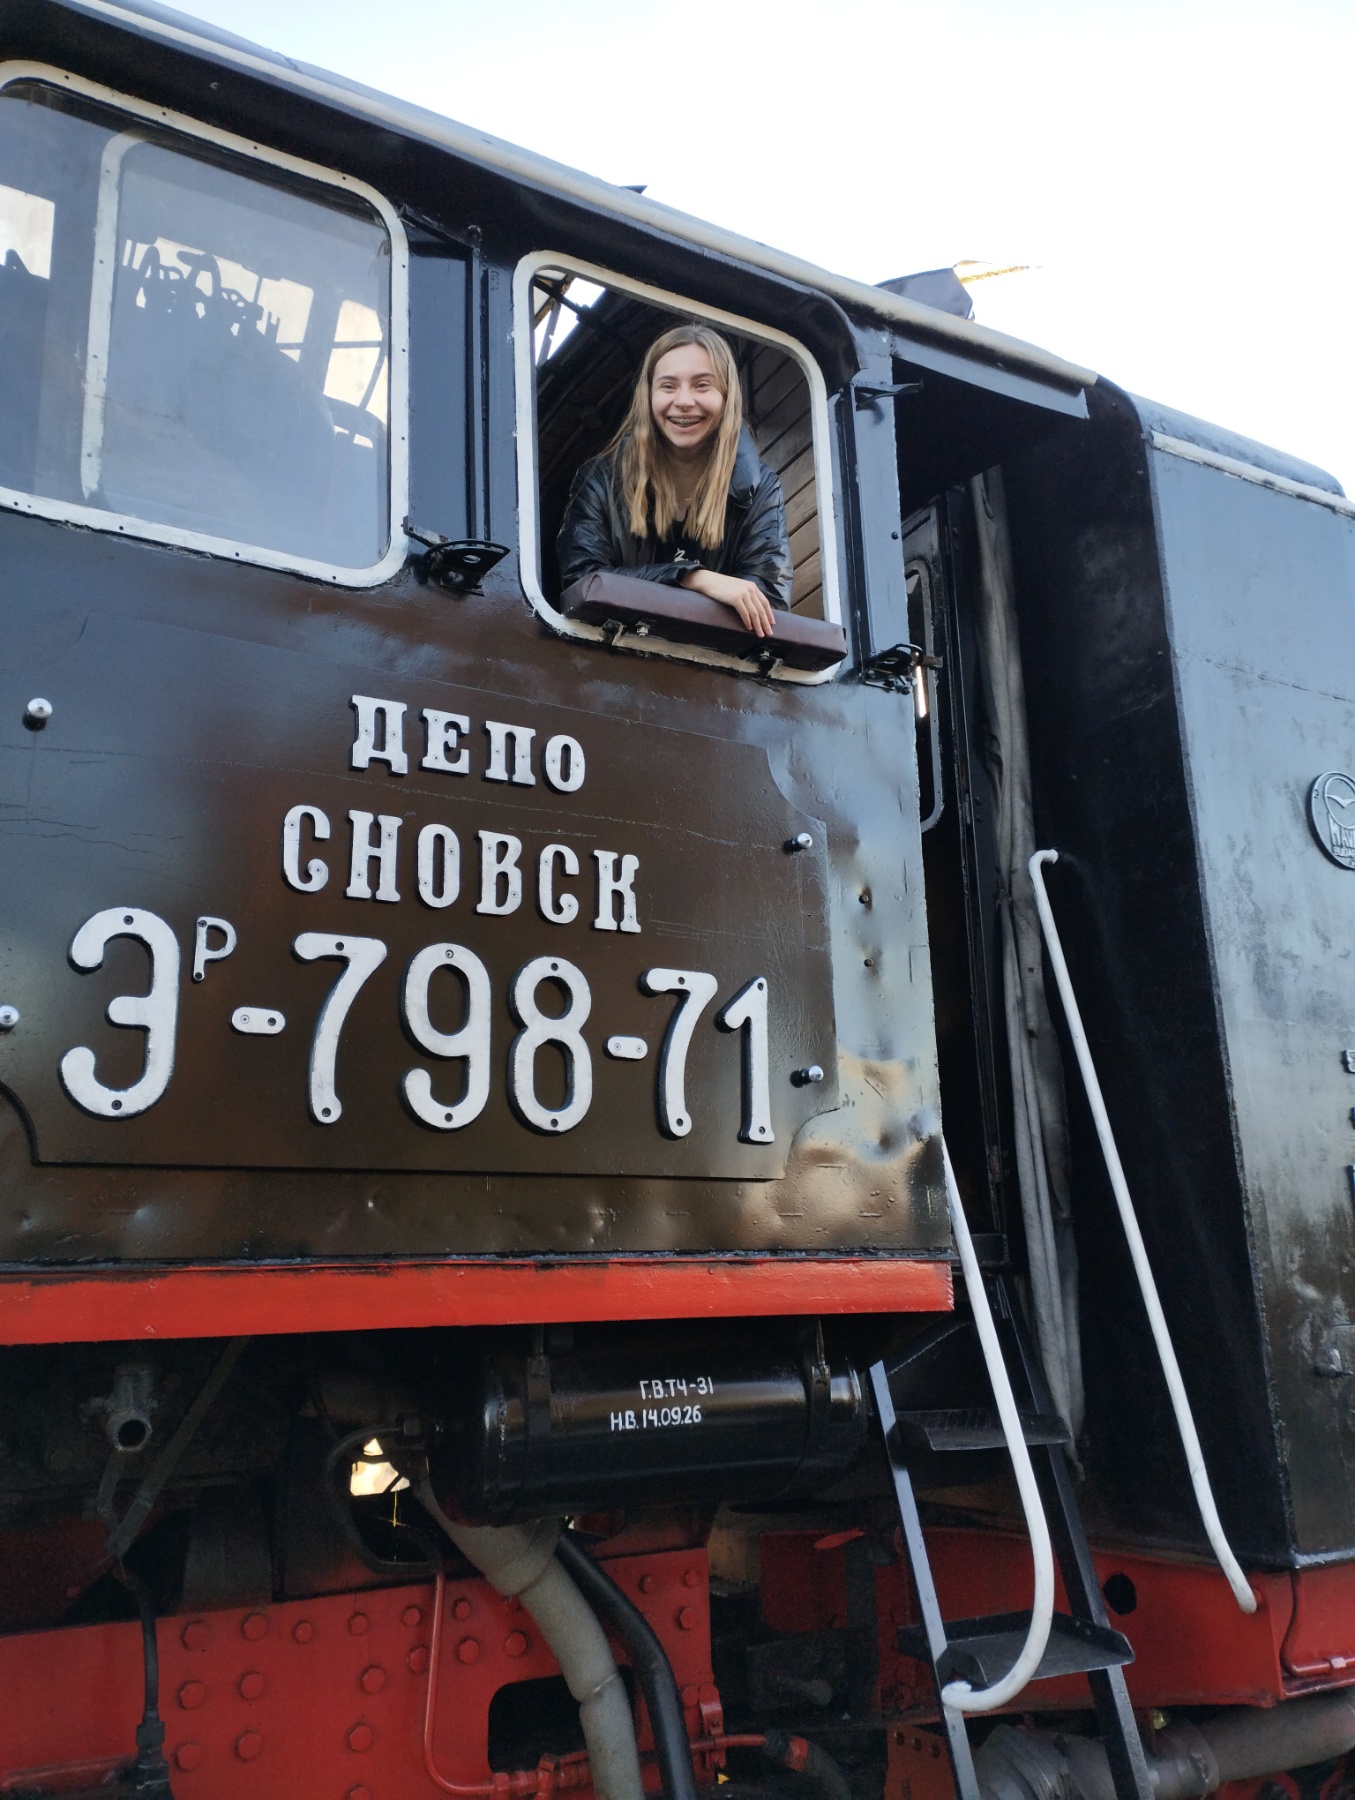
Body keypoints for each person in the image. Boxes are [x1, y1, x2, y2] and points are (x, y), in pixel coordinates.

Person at [556, 323, 792, 637]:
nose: (684, 400)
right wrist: (692, 578)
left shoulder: (762, 489)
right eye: (668, 386)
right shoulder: (600, 479)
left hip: (712, 663)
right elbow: (583, 584)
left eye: (702, 385)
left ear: (726, 397)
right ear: (648, 397)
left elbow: (767, 604)